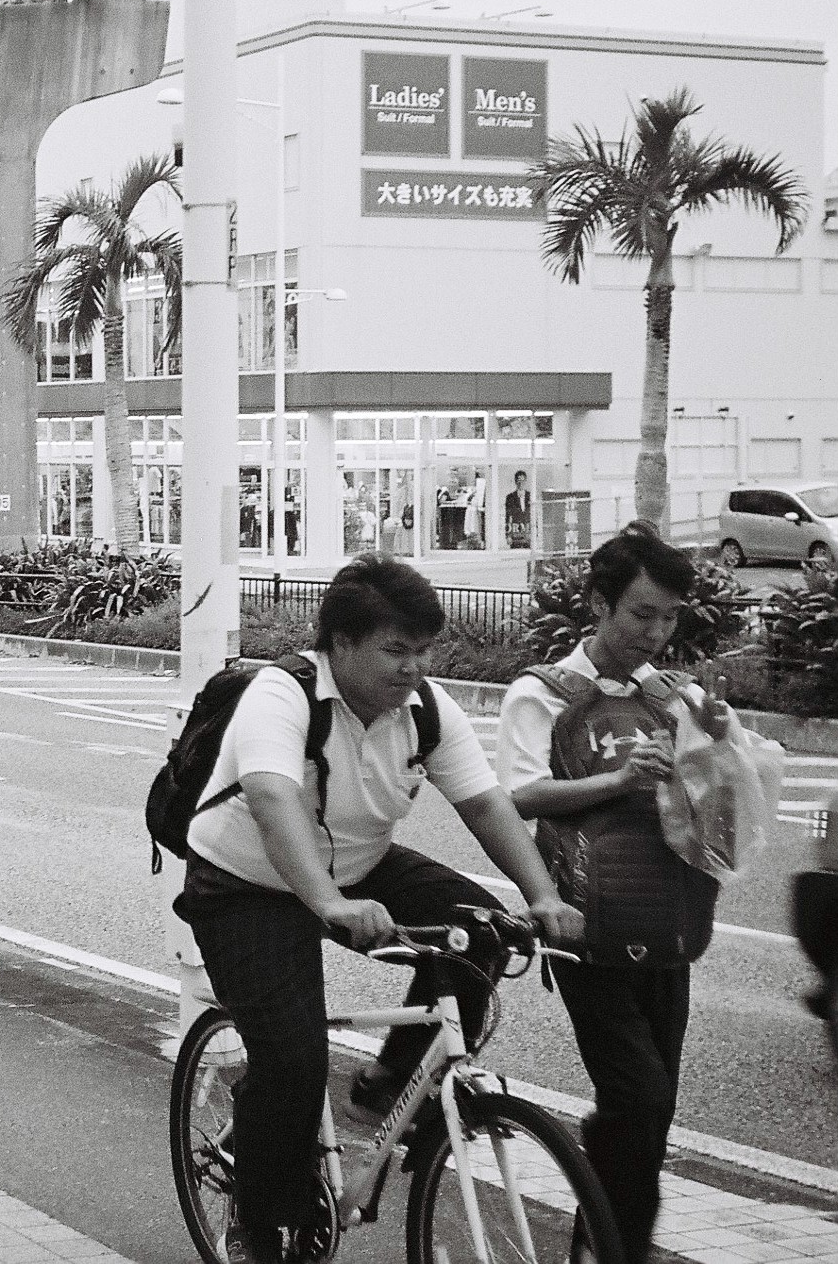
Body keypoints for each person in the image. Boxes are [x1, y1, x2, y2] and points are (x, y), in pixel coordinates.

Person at [176, 555, 582, 1264]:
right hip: (245, 883)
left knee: (481, 932)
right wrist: (328, 902)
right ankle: (257, 1218)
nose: (413, 667)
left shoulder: (423, 708)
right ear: (338, 644)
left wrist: (541, 895)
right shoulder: (281, 694)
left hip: (358, 864)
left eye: (423, 649)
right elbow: (272, 798)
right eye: (396, 649)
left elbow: (485, 802)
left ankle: (387, 1081)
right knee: (294, 1061)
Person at [496, 522, 736, 1264]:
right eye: (641, 614)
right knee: (638, 1097)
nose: (655, 632)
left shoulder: (679, 695)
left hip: (668, 926)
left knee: (649, 1111)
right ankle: (613, 1248)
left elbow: (719, 815)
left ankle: (603, 1242)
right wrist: (620, 778)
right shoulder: (541, 694)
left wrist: (716, 750)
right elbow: (517, 796)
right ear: (599, 603)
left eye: (669, 617)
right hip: (585, 931)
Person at [506, 470, 534, 549]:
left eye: (523, 481)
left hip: (527, 533)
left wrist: (534, 534)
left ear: (526, 481)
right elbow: (508, 517)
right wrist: (508, 535)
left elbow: (534, 516)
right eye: (519, 481)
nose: (521, 483)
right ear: (515, 482)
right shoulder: (510, 497)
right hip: (516, 533)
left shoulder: (530, 496)